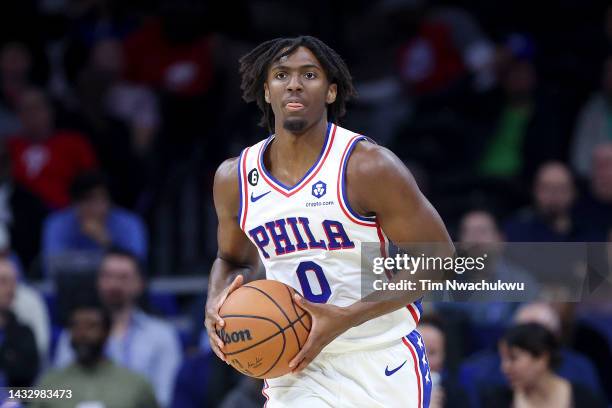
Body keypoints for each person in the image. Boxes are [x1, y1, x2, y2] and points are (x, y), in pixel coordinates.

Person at [205, 36, 453, 408]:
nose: (294, 84)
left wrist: (346, 317)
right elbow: (233, 260)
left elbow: (441, 260)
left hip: (379, 356)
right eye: (281, 75)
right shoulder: (234, 179)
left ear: (332, 91)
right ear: (266, 90)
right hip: (296, 362)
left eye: (309, 74)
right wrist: (214, 301)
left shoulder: (367, 166)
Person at [54, 249, 181, 407]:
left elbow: (164, 397)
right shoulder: (76, 333)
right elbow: (60, 389)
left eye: (123, 277)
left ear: (140, 284)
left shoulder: (162, 335)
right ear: (98, 281)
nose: (114, 284)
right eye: (107, 276)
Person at [31, 302, 159, 408]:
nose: (83, 334)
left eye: (91, 326)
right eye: (76, 326)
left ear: (107, 332)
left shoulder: (136, 384)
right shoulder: (49, 385)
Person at [42, 171, 148, 274]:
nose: (95, 208)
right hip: (69, 288)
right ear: (75, 203)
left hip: (119, 287)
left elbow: (137, 267)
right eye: (88, 200)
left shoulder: (129, 223)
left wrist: (106, 242)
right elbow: (52, 268)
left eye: (101, 200)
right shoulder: (58, 223)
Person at [481, 323, 605, 408]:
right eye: (503, 359)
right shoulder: (497, 401)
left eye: (513, 358)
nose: (504, 368)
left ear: (542, 358)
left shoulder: (585, 399)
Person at [0, 256, 38, 387]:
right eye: (3, 282)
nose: (11, 289)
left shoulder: (25, 333)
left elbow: (24, 374)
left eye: (13, 282)